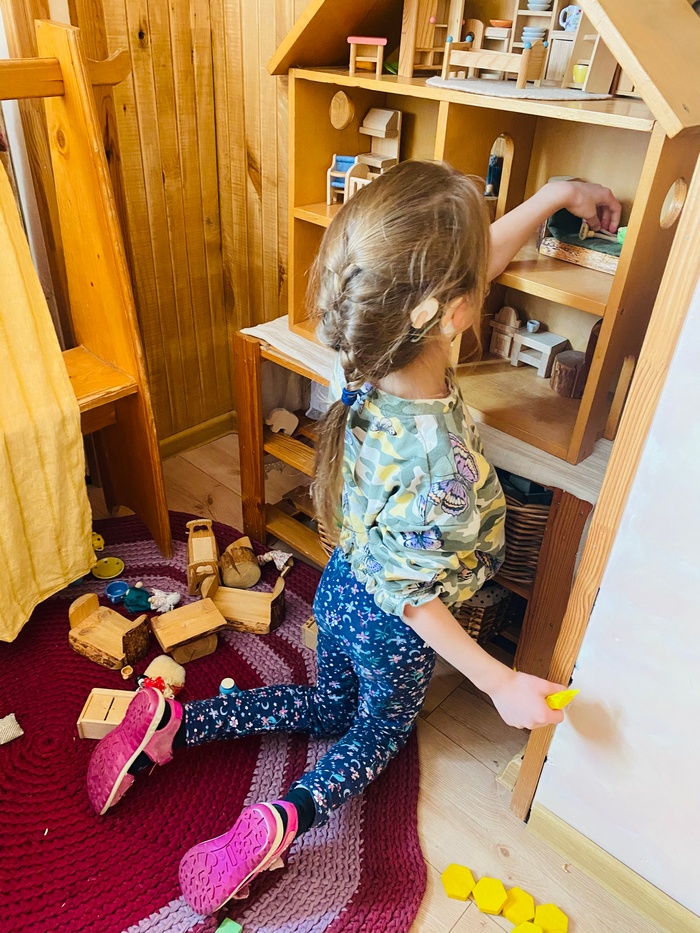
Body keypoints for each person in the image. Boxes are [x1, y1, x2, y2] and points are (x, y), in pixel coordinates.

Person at [86, 161, 621, 916]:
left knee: (326, 704)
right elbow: (414, 600)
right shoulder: (441, 466)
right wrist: (497, 680)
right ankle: (284, 818)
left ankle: (179, 722)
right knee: (372, 735)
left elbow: (471, 267)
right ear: (454, 314)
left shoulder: (369, 350)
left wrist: (558, 194)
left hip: (341, 586)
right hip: (394, 628)